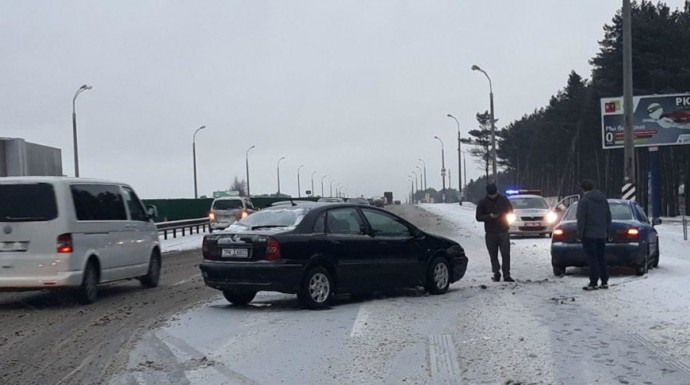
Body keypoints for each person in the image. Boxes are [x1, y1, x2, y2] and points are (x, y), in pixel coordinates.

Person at [576, 179, 612, 291]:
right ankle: (604, 281)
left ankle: (593, 282)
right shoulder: (603, 200)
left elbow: (581, 219)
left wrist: (579, 234)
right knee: (601, 257)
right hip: (602, 234)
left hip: (589, 234)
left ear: (582, 189)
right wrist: (607, 231)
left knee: (592, 259)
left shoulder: (584, 201)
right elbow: (608, 217)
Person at [476, 183, 514, 282]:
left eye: (494, 193)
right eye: (490, 194)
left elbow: (510, 210)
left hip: (503, 230)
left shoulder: (504, 200)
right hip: (490, 232)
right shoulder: (483, 202)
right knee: (493, 255)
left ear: (497, 191)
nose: (492, 196)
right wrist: (489, 217)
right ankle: (496, 273)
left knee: (505, 254)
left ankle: (506, 274)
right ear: (487, 193)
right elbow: (478, 217)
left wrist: (503, 215)